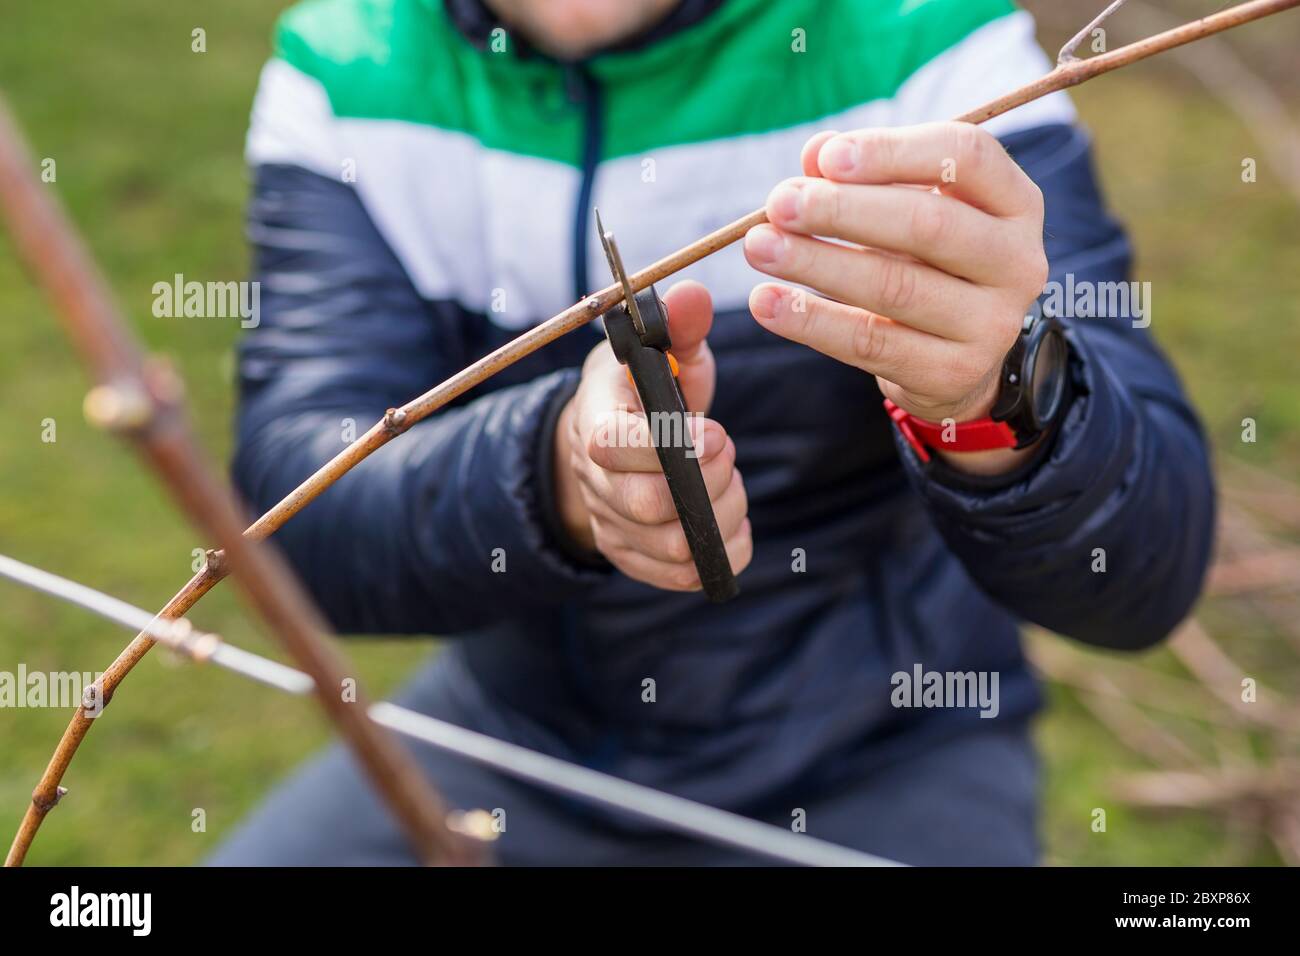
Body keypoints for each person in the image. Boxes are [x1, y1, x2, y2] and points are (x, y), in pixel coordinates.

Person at [209, 0, 1215, 865]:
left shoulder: (921, 40)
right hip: (507, 736)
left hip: (881, 754)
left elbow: (1140, 572)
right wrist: (554, 472)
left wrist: (996, 397)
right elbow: (299, 521)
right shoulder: (349, 64)